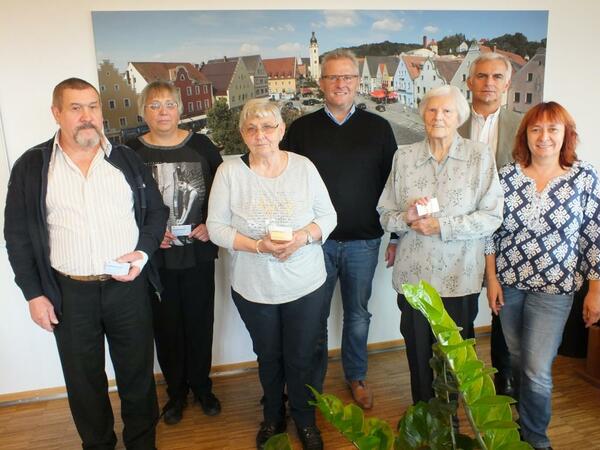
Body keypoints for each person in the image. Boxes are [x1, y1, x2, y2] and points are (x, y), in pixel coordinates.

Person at [4, 78, 168, 449]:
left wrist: (142, 254)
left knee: (138, 379)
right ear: (56, 113)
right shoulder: (32, 167)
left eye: (93, 107)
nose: (87, 117)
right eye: (76, 108)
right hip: (69, 293)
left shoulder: (126, 159)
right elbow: (17, 236)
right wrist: (34, 294)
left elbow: (157, 213)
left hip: (128, 290)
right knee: (84, 383)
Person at [207, 99, 336, 450]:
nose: (260, 135)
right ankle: (273, 417)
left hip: (305, 284)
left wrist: (302, 238)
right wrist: (257, 246)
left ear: (280, 130)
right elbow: (216, 229)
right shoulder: (229, 172)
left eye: (267, 127)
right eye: (252, 128)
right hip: (254, 287)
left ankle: (305, 420)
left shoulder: (304, 167)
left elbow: (328, 217)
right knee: (269, 356)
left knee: (302, 355)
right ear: (242, 134)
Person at [280, 50, 398, 409]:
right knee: (313, 316)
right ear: (321, 83)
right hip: (315, 243)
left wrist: (395, 235)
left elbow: (394, 186)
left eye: (347, 77)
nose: (341, 83)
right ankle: (311, 385)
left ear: (358, 83)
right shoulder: (301, 130)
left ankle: (356, 376)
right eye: (333, 77)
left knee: (358, 314)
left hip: (364, 241)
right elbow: (284, 183)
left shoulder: (378, 128)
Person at [484, 101, 600, 450]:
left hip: (555, 289)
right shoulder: (506, 175)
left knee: (536, 368)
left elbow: (594, 234)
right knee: (518, 360)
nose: (544, 136)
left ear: (566, 135)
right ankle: (523, 421)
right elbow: (491, 232)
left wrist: (595, 290)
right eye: (536, 129)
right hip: (509, 285)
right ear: (526, 135)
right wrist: (491, 280)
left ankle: (536, 439)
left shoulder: (584, 177)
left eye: (553, 129)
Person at [377, 85, 503, 404]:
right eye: (432, 110)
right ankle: (424, 417)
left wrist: (442, 226)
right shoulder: (404, 157)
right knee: (418, 355)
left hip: (460, 277)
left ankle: (450, 423)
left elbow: (491, 216)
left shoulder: (479, 156)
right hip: (414, 278)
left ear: (459, 116)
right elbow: (384, 213)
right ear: (422, 115)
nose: (439, 117)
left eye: (447, 111)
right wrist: (405, 218)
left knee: (455, 360)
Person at [126, 81, 223, 425]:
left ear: (180, 109)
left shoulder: (203, 146)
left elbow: (223, 193)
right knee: (166, 328)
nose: (163, 112)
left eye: (169, 104)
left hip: (198, 254)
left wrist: (213, 223)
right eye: (154, 105)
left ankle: (202, 387)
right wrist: (147, 234)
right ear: (143, 111)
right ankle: (176, 394)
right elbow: (121, 206)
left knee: (199, 322)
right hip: (156, 260)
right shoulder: (129, 152)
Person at [459, 51, 523, 395]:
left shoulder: (523, 127)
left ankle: (505, 380)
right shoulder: (451, 124)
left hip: (508, 235)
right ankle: (464, 377)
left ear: (508, 83)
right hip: (460, 235)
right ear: (470, 82)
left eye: (497, 77)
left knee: (503, 309)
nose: (489, 83)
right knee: (463, 306)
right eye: (482, 76)